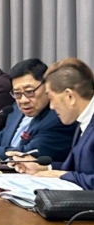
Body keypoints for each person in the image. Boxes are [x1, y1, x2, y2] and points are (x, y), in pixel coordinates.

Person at [11, 58, 94, 189]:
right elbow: (77, 170)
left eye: (51, 98)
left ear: (69, 96)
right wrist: (45, 168)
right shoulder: (82, 122)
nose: (52, 107)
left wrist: (63, 175)